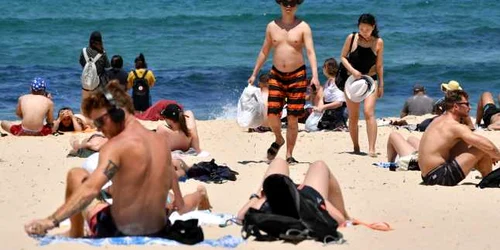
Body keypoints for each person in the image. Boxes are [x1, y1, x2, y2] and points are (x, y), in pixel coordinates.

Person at [23, 80, 190, 238]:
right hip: (159, 226)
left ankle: (75, 232)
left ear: (117, 113)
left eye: (100, 122)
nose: (100, 129)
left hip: (120, 229)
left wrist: (50, 221)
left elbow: (90, 189)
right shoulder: (160, 141)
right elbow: (171, 177)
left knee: (76, 174)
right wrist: (178, 202)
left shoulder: (116, 146)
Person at [247, 0, 320, 164]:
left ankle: (289, 154)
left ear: (297, 5)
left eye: (293, 2)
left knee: (293, 118)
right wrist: (254, 73)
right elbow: (264, 51)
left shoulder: (303, 27)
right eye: (286, 2)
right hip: (277, 75)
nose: (289, 5)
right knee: (272, 114)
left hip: (297, 75)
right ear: (279, 3)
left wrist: (315, 76)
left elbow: (310, 52)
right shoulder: (272, 26)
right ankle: (279, 139)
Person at [418, 90, 500, 186]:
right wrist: (496, 155)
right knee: (481, 148)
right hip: (439, 176)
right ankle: (490, 180)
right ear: (456, 106)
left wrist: (490, 154)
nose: (470, 107)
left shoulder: (439, 120)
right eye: (466, 104)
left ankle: (488, 177)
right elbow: (484, 144)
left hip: (428, 176)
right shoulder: (454, 126)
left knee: (472, 145)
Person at [236, 157, 350, 225]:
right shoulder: (309, 208)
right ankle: (347, 214)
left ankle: (267, 188)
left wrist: (256, 195)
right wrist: (324, 201)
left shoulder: (267, 204)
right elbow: (339, 220)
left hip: (281, 198)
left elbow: (241, 216)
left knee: (278, 162)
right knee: (319, 165)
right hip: (308, 198)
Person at [340, 13, 385, 157]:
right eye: (361, 28)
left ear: (373, 27)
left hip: (371, 80)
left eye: (367, 29)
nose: (364, 32)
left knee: (368, 112)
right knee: (353, 116)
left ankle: (371, 148)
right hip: (352, 82)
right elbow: (342, 57)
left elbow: (379, 65)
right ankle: (356, 146)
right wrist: (353, 71)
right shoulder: (351, 38)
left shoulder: (378, 42)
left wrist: (381, 84)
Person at [311, 58, 348, 131]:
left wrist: (323, 107)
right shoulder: (328, 82)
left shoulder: (337, 82)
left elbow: (339, 103)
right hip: (329, 110)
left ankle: (340, 124)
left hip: (339, 111)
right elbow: (322, 98)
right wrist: (320, 107)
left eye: (324, 67)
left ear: (326, 68)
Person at [79, 31, 110, 102]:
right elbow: (107, 66)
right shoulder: (102, 53)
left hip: (86, 82)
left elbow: (81, 62)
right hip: (100, 83)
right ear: (100, 41)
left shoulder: (84, 51)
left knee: (86, 106)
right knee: (106, 101)